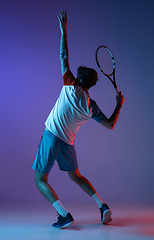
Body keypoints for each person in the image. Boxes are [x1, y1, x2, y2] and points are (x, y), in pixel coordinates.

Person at [32, 11, 125, 229]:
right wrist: (119, 105)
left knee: (39, 180)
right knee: (76, 176)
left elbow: (64, 56)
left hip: (52, 135)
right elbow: (110, 124)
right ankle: (102, 206)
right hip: (68, 143)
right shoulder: (91, 107)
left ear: (80, 79)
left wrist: (63, 31)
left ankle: (64, 215)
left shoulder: (70, 85)